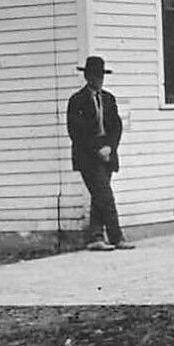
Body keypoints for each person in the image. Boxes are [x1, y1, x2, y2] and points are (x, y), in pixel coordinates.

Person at [67, 55, 133, 251]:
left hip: (108, 154)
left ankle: (96, 237)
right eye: (95, 76)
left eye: (101, 76)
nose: (99, 80)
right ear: (87, 77)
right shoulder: (77, 101)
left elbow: (116, 127)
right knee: (105, 196)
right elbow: (76, 132)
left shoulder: (108, 99)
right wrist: (97, 150)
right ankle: (116, 237)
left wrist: (110, 147)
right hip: (88, 156)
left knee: (99, 196)